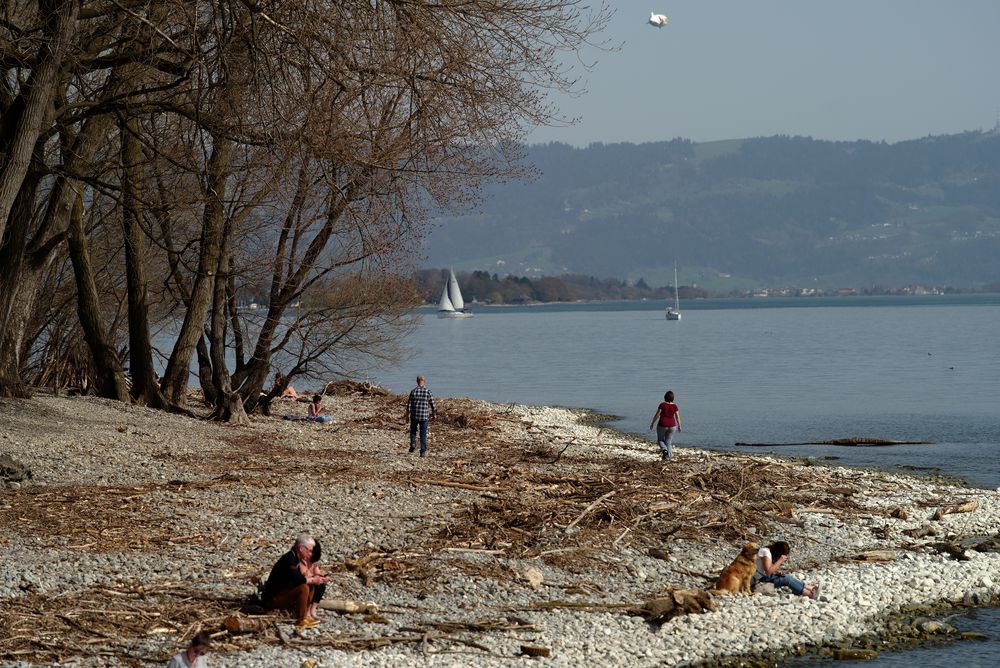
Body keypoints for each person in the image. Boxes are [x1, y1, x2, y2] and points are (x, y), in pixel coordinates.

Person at [261, 533, 329, 628]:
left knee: (310, 586)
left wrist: (315, 579)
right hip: (273, 598)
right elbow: (298, 580)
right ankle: (301, 619)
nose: (311, 554)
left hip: (283, 593)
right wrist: (313, 579)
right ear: (301, 549)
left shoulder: (295, 558)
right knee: (304, 587)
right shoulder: (289, 559)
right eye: (310, 551)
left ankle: (305, 614)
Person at [754, 540, 819, 599]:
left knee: (786, 576)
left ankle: (810, 588)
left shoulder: (768, 551)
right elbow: (768, 572)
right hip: (759, 581)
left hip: (763, 577)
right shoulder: (766, 552)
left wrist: (777, 573)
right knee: (786, 580)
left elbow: (768, 569)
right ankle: (809, 594)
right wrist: (780, 560)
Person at [405, 375, 436, 457]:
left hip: (414, 415)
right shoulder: (428, 391)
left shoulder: (413, 391)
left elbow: (409, 405)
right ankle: (422, 451)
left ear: (417, 381)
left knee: (413, 431)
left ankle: (413, 443)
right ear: (424, 381)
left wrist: (407, 415)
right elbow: (433, 404)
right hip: (424, 416)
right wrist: (434, 414)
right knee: (423, 434)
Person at [648, 390, 682, 461]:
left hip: (662, 425)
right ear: (673, 398)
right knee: (668, 442)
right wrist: (679, 425)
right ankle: (669, 458)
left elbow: (657, 414)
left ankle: (664, 451)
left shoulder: (662, 404)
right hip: (672, 426)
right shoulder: (675, 406)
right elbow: (677, 416)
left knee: (660, 439)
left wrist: (652, 423)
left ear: (665, 397)